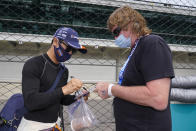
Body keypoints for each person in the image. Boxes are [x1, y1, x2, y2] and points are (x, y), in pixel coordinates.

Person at [95, 6, 174, 131]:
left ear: (130, 24)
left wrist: (112, 89)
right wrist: (110, 88)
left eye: (116, 32)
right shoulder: (136, 49)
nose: (115, 38)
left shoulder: (152, 43)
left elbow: (158, 98)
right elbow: (134, 87)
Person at [17, 27, 88, 131]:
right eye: (68, 48)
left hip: (54, 125)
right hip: (32, 126)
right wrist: (64, 89)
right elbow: (31, 102)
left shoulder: (64, 70)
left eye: (73, 50)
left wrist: (78, 98)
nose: (70, 53)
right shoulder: (34, 64)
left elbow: (60, 98)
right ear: (55, 41)